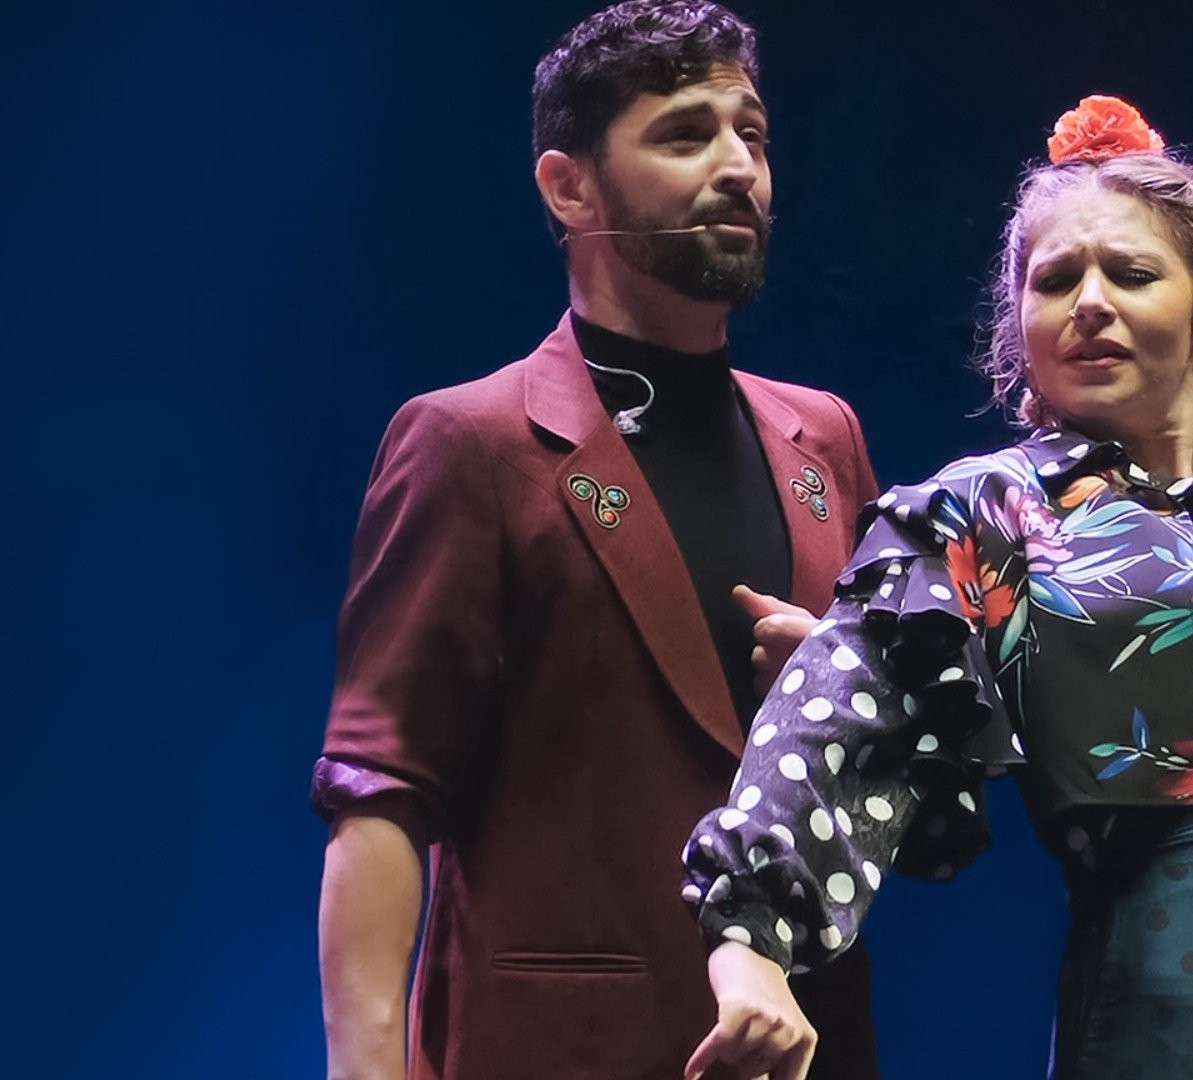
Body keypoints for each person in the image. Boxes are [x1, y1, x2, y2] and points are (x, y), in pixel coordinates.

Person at [682, 0, 1193, 1077]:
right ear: (1016, 326)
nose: (1090, 303)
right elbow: (838, 710)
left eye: (1130, 273)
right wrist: (750, 948)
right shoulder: (986, 514)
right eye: (1055, 278)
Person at [311, 3, 881, 1077]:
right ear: (569, 187)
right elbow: (380, 793)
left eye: (751, 135)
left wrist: (856, 693)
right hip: (562, 1049)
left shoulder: (828, 439)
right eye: (684, 135)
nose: (737, 169)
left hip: (809, 1043)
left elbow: (889, 783)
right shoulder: (470, 443)